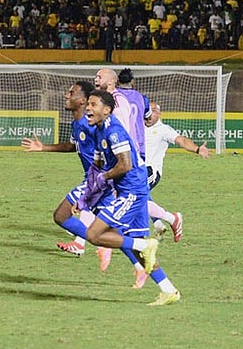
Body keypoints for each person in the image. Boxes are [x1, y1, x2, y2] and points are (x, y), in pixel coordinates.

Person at [77, 90, 180, 306]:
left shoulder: (114, 132)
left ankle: (145, 246)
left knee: (94, 234)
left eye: (93, 105)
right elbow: (96, 167)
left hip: (132, 191)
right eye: (88, 104)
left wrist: (103, 178)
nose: (88, 108)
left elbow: (125, 165)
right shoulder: (98, 131)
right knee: (136, 246)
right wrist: (87, 196)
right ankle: (168, 290)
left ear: (106, 110)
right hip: (130, 190)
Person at [21, 80, 113, 270]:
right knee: (118, 230)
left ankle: (103, 244)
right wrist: (43, 147)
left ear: (83, 101)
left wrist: (101, 179)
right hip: (95, 180)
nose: (67, 95)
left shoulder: (91, 126)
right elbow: (73, 145)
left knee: (61, 215)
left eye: (72, 93)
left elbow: (107, 150)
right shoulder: (78, 123)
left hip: (98, 180)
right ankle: (142, 255)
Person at [145, 101, 211, 242]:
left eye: (154, 111)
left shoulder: (163, 129)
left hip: (151, 172)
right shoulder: (137, 126)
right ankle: (161, 222)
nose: (150, 114)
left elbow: (181, 140)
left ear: (159, 113)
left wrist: (198, 149)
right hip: (135, 170)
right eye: (148, 111)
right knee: (134, 196)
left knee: (130, 194)